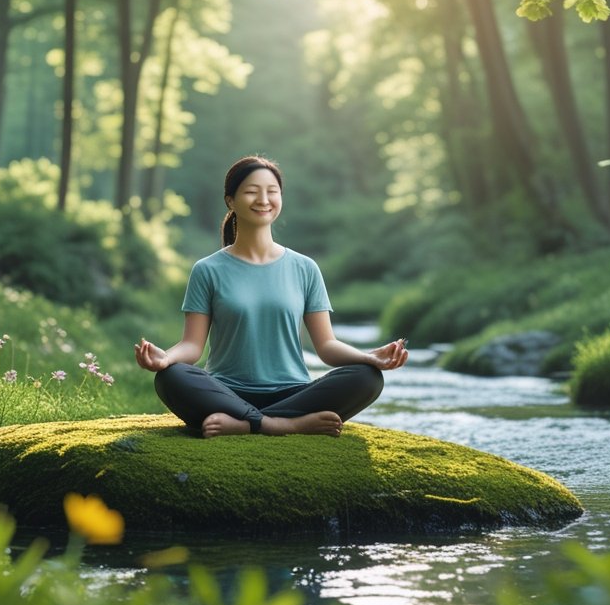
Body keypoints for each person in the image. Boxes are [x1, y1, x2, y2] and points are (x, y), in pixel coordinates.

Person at [134, 155, 408, 437]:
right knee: (171, 377)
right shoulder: (207, 270)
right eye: (252, 191)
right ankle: (281, 425)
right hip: (225, 393)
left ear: (280, 197)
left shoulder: (305, 268)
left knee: (367, 378)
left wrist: (368, 357)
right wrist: (165, 359)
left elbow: (326, 346)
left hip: (293, 394)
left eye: (272, 191)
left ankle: (249, 424)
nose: (263, 199)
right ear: (230, 201)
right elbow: (192, 346)